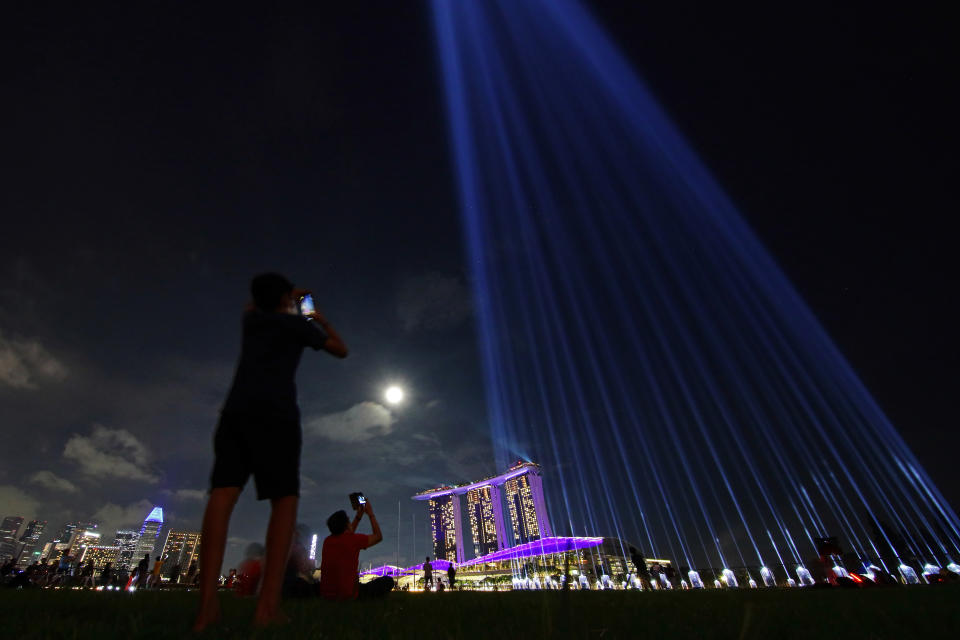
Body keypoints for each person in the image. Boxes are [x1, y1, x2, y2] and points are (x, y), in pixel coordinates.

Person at [193, 273, 348, 631]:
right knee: (284, 503)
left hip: (234, 413)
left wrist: (281, 298)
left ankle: (206, 609)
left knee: (222, 496)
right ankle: (267, 608)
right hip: (276, 416)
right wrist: (316, 318)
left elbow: (254, 303)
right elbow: (341, 350)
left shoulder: (253, 319)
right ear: (285, 300)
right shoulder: (297, 326)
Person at [318, 499, 392, 600]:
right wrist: (370, 514)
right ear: (346, 525)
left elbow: (347, 536)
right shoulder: (354, 540)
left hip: (327, 594)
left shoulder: (327, 541)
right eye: (349, 520)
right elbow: (378, 536)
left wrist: (358, 516)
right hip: (348, 594)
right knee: (388, 581)